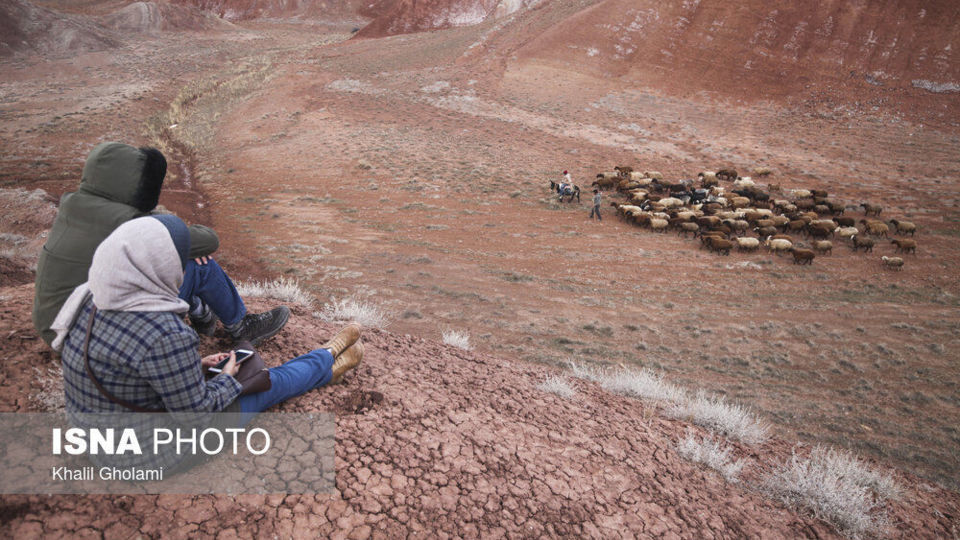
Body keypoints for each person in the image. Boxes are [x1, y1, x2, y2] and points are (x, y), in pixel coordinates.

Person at [52, 215, 363, 420]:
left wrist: (196, 365)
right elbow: (197, 415)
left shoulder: (88, 298)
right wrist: (226, 376)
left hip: (103, 434)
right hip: (150, 451)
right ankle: (326, 360)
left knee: (233, 376)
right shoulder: (166, 334)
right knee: (267, 382)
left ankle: (326, 368)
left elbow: (126, 365)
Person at [32, 142, 288, 347]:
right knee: (198, 264)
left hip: (56, 328)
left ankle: (201, 313)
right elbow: (208, 240)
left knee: (167, 258)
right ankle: (240, 327)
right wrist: (163, 226)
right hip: (95, 339)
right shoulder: (127, 222)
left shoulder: (72, 204)